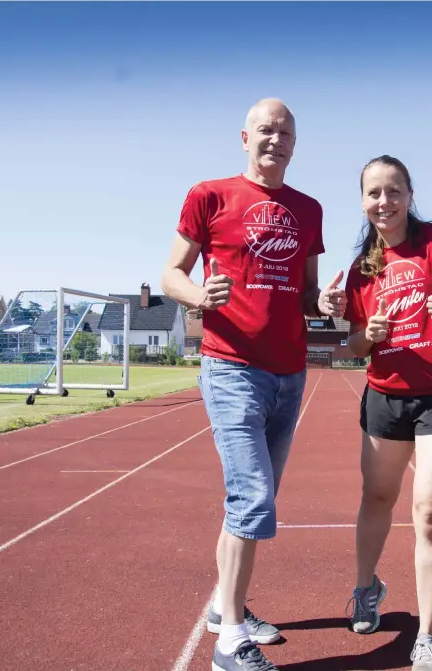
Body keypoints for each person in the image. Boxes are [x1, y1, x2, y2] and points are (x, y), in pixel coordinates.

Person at [161, 98, 346, 671]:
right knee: (252, 498)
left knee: (249, 498)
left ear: (295, 144)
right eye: (266, 130)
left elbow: (307, 291)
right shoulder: (208, 195)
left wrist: (326, 302)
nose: (276, 139)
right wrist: (199, 295)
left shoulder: (309, 209)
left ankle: (223, 607)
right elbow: (169, 275)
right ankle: (229, 643)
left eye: (285, 132)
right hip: (231, 366)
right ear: (245, 137)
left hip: (290, 372)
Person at [344, 155, 432, 670]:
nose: (384, 201)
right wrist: (366, 335)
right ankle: (365, 588)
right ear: (363, 201)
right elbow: (352, 344)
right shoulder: (361, 269)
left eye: (394, 191)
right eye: (374, 193)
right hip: (385, 394)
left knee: (428, 512)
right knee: (378, 496)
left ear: (410, 194)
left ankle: (427, 631)